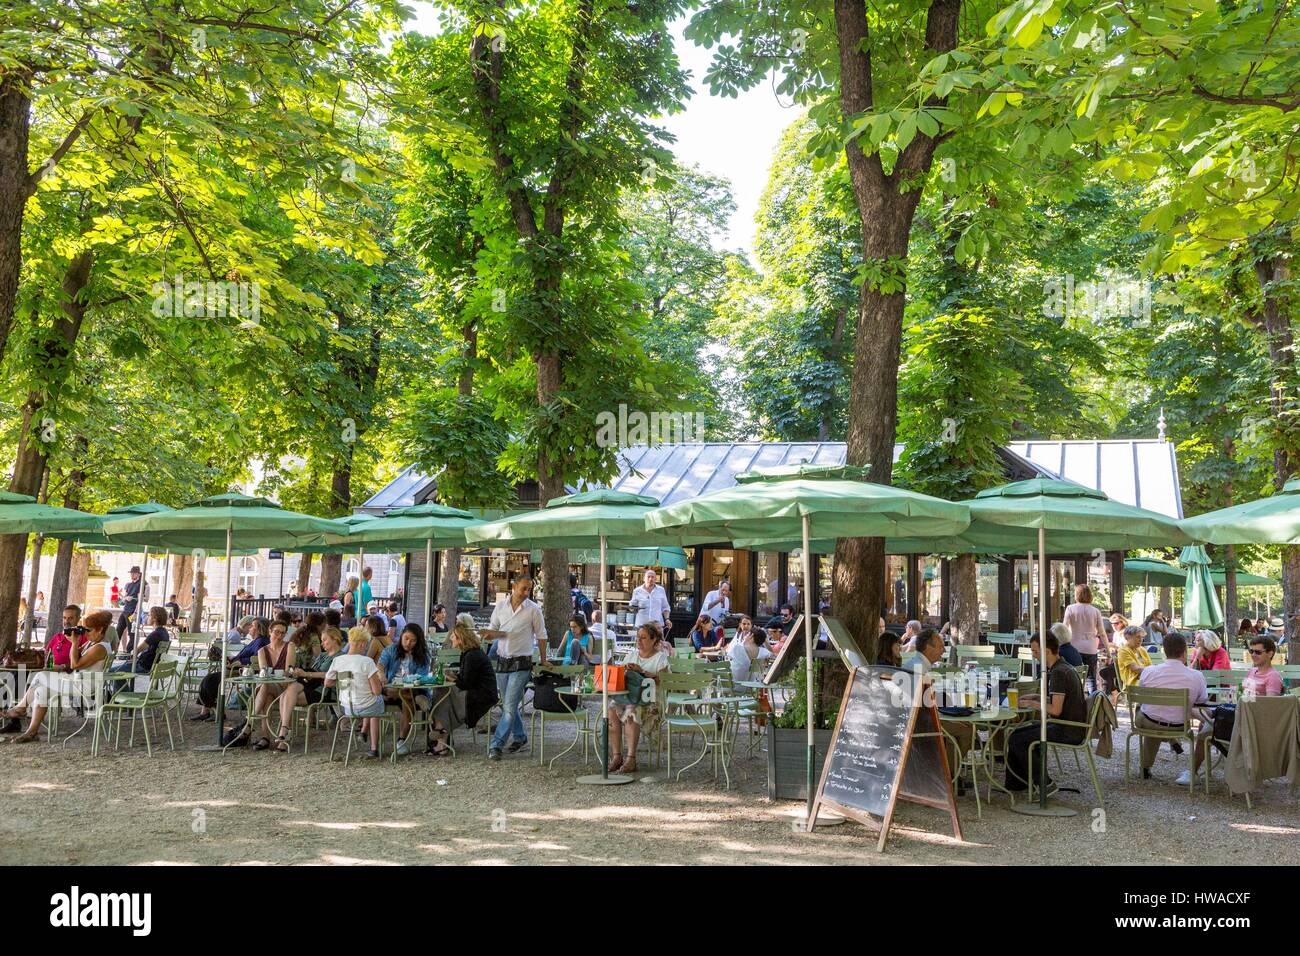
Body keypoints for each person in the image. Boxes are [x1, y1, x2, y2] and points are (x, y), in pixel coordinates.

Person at [2, 610, 114, 743]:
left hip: (85, 685)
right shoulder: (93, 643)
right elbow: (77, 657)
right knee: (40, 690)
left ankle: (20, 708)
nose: (86, 633)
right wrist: (75, 642)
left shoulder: (100, 647)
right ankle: (32, 732)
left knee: (40, 675)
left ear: (100, 630)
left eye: (88, 630)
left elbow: (75, 664)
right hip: (79, 681)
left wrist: (74, 643)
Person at [1004, 631, 1087, 796]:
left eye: (1035, 651)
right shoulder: (1064, 667)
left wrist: (1030, 703)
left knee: (1016, 738)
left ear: (1047, 651)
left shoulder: (1058, 673)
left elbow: (1056, 710)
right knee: (1017, 734)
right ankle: (1019, 784)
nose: (1034, 656)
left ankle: (1044, 783)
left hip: (1067, 729)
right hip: (1071, 726)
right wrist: (1037, 697)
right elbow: (1058, 700)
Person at [485, 574, 547, 760]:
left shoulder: (533, 609)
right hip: (503, 659)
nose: (527, 592)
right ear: (514, 586)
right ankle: (520, 737)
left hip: (522, 662)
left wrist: (543, 660)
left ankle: (496, 744)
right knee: (508, 705)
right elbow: (493, 627)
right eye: (524, 588)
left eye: (529, 589)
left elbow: (541, 635)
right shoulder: (501, 606)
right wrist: (489, 635)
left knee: (510, 705)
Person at [1135, 632, 1208, 781]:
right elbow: (1201, 703)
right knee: (1162, 713)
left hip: (1148, 723)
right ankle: (1172, 739)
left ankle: (1145, 766)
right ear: (1184, 652)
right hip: (1178, 726)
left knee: (1148, 712)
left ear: (1164, 651)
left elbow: (1143, 696)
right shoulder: (1196, 676)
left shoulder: (1148, 671)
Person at [428, 614, 498, 755]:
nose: (451, 638)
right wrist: (454, 677)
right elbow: (466, 679)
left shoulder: (471, 655)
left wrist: (452, 678)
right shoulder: (469, 653)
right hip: (478, 690)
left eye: (453, 636)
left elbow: (466, 683)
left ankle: (440, 730)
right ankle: (441, 735)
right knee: (443, 694)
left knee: (442, 694)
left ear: (460, 639)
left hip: (481, 695)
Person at [607, 623, 670, 774]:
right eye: (638, 638)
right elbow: (619, 679)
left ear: (654, 640)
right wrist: (624, 671)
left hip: (652, 700)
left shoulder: (661, 658)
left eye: (643, 638)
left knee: (632, 710)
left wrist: (641, 671)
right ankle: (617, 756)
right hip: (629, 696)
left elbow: (663, 680)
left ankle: (631, 758)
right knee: (611, 708)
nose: (639, 641)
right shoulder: (631, 655)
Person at [272, 626, 344, 752]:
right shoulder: (322, 656)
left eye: (325, 640)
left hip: (325, 691)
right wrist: (302, 673)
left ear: (335, 639)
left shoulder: (341, 657)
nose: (322, 643)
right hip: (312, 686)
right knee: (287, 694)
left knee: (286, 696)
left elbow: (331, 676)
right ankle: (284, 732)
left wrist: (306, 674)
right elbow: (314, 672)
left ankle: (284, 732)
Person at [325, 631, 386, 759]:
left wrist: (344, 679)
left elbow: (328, 682)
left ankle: (364, 731)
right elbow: (377, 691)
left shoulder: (338, 660)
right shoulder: (367, 662)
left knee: (370, 701)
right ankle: (374, 748)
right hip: (368, 707)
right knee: (377, 701)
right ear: (363, 644)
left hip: (348, 708)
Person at [380, 622, 432, 756]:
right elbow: (380, 665)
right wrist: (381, 675)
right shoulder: (391, 649)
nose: (408, 643)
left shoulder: (422, 656)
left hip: (412, 689)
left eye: (413, 640)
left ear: (418, 641)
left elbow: (421, 677)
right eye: (406, 638)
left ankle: (401, 741)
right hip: (391, 687)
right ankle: (401, 742)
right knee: (404, 695)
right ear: (402, 635)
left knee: (407, 699)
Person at [1062, 584, 1107, 691]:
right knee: (1091, 679)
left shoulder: (1070, 609)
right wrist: (1108, 651)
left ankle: (1076, 700)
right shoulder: (1096, 611)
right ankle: (1093, 704)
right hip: (1091, 648)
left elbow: (1064, 628)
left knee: (1074, 676)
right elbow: (1102, 633)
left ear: (1077, 595)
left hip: (1074, 647)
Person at [111, 606, 170, 678]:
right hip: (152, 665)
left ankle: (121, 689)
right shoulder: (165, 632)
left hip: (144, 666)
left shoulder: (155, 634)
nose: (146, 617)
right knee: (120, 669)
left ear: (155, 618)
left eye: (148, 615)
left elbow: (137, 650)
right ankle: (123, 689)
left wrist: (131, 653)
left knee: (112, 671)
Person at [629, 569, 671, 637]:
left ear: (655, 579)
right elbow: (632, 607)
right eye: (648, 577)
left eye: (652, 577)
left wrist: (667, 619)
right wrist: (633, 607)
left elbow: (665, 607)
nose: (650, 579)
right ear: (644, 578)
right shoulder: (637, 591)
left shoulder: (661, 590)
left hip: (656, 626)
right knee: (642, 646)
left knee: (658, 646)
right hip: (642, 625)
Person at [116, 565, 145, 650]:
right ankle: (114, 650)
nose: (132, 575)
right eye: (131, 573)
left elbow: (140, 601)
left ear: (139, 574)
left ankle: (129, 652)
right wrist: (125, 598)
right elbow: (123, 599)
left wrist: (136, 613)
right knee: (118, 631)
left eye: (134, 573)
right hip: (125, 610)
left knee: (131, 633)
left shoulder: (141, 585)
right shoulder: (128, 584)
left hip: (132, 612)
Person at [1115, 625, 1152, 689]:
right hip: (1132, 685)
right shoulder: (1123, 650)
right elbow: (1136, 669)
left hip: (1145, 681)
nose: (1141, 640)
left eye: (1142, 637)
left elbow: (1150, 666)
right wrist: (1155, 670)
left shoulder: (1142, 649)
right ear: (1127, 637)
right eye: (1138, 637)